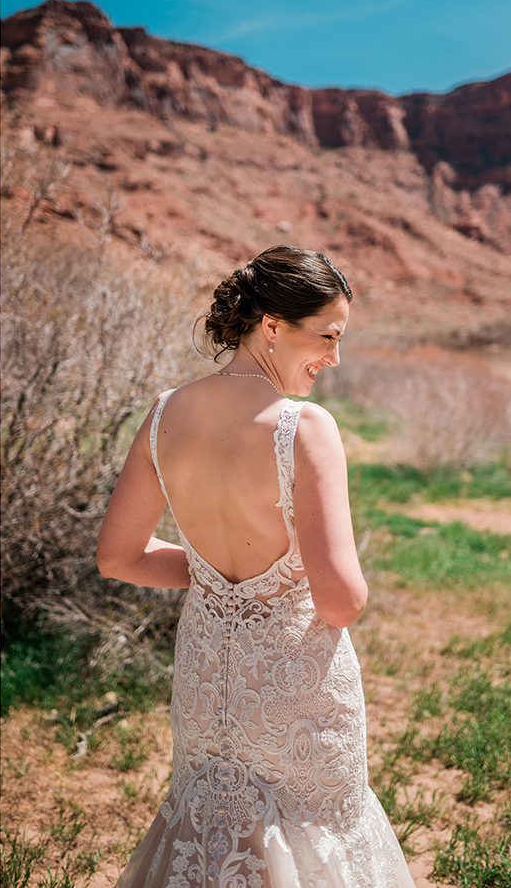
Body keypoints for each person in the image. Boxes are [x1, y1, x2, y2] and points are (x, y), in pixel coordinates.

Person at [96, 246, 414, 886]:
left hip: (207, 679)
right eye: (326, 337)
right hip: (294, 694)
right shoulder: (303, 427)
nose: (334, 358)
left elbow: (119, 556)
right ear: (272, 325)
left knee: (212, 838)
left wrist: (213, 573)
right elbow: (340, 602)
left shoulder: (163, 415)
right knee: (313, 836)